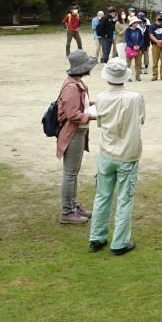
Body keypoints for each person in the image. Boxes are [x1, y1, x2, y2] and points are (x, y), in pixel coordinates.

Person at [88, 57, 145, 256]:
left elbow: (100, 120)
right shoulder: (135, 98)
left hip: (107, 151)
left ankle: (97, 236)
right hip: (128, 153)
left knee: (102, 195)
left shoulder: (101, 98)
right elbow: (141, 119)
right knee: (124, 198)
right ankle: (120, 242)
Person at [56, 49, 98, 224]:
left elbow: (81, 105)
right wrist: (93, 116)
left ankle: (72, 205)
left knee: (73, 172)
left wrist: (97, 103)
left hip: (78, 132)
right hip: (73, 133)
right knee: (70, 173)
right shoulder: (72, 87)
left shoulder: (76, 83)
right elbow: (72, 113)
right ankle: (67, 211)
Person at [148, 13, 162, 81]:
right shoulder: (152, 26)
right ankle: (155, 75)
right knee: (155, 60)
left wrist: (161, 41)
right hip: (155, 45)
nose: (161, 17)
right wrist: (157, 41)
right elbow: (151, 35)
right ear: (156, 17)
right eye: (160, 16)